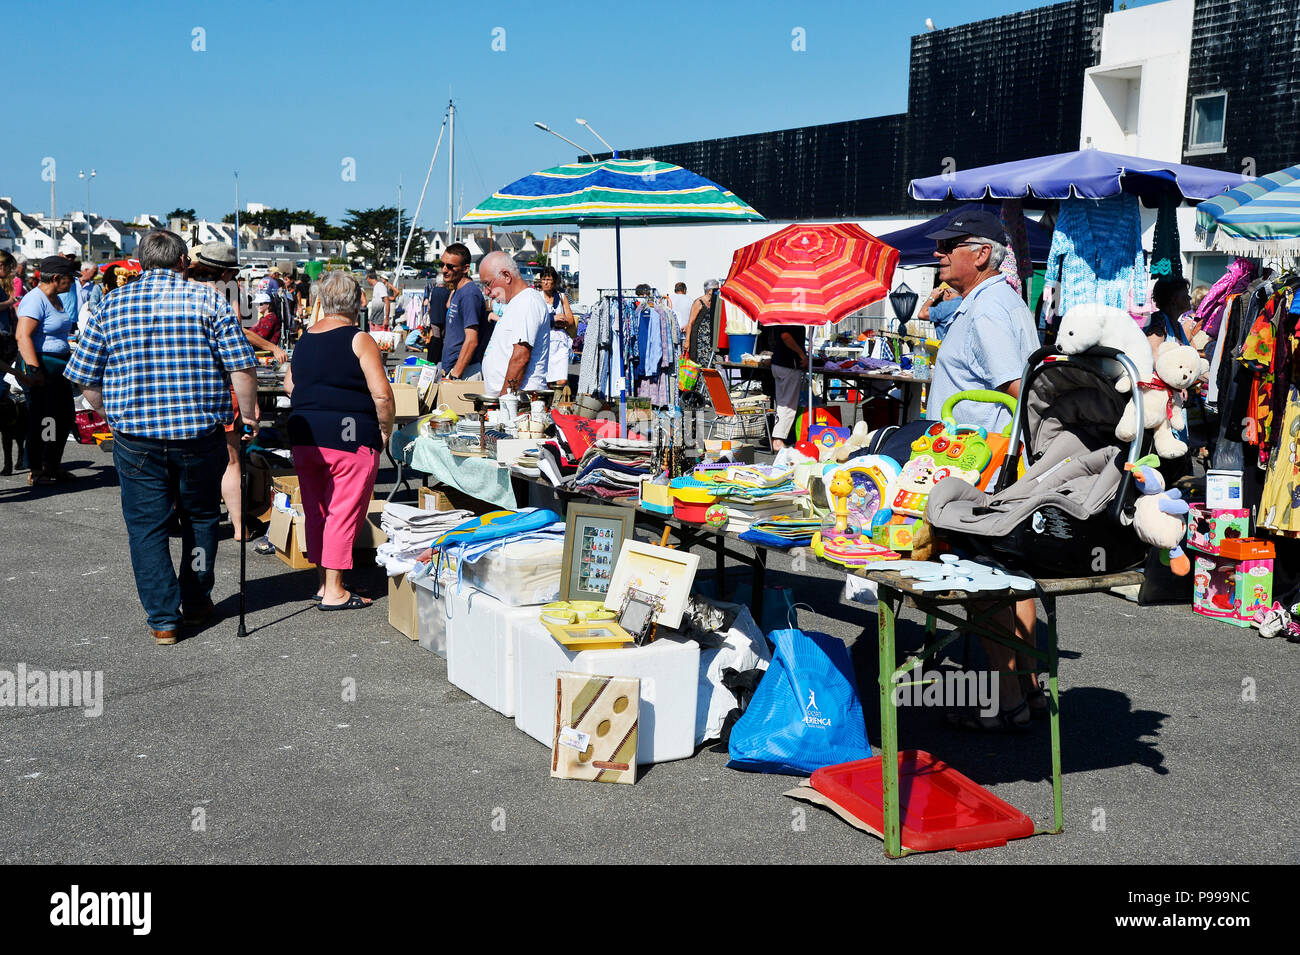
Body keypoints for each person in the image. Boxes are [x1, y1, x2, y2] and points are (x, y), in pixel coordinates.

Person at [65, 231, 260, 646]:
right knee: (201, 518)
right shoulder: (209, 301)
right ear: (184, 261)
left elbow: (83, 376)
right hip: (198, 433)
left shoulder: (111, 305)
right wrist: (246, 416)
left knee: (147, 528)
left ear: (139, 262)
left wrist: (108, 412)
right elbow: (242, 368)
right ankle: (196, 598)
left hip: (136, 436)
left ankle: (163, 619)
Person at [925, 209, 1042, 730]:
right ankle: (1029, 688)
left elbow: (1017, 390)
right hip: (992, 460)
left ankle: (1005, 701)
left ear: (984, 254)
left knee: (980, 580)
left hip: (979, 465)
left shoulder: (989, 310)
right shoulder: (993, 300)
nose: (939, 252)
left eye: (953, 244)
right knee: (1012, 577)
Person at [283, 271, 394, 610]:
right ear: (357, 300)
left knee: (317, 510)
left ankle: (324, 583)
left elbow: (291, 386)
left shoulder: (306, 338)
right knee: (343, 512)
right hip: (349, 436)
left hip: (306, 436)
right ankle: (334, 590)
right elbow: (382, 394)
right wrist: (385, 430)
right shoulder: (359, 339)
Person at [188, 242, 285, 542]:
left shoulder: (178, 291)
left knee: (187, 459)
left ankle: (188, 521)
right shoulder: (223, 297)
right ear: (227, 272)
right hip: (221, 386)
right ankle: (239, 527)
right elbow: (239, 353)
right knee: (231, 460)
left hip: (183, 389)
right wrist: (251, 404)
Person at [15, 255, 80, 486]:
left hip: (58, 366)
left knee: (63, 416)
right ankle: (38, 467)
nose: (72, 282)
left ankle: (53, 464)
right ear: (56, 278)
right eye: (70, 278)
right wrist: (34, 369)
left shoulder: (56, 298)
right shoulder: (35, 300)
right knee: (45, 419)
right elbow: (23, 336)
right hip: (40, 365)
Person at [477, 251, 549, 397]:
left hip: (519, 401)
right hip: (512, 399)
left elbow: (521, 357)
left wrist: (504, 400)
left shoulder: (527, 302)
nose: (486, 291)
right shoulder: (517, 303)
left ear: (506, 276)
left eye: (488, 284)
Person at [439, 243, 489, 380]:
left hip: (465, 371)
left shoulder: (469, 294)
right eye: (442, 264)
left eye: (450, 266)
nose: (444, 270)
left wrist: (455, 374)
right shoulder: (458, 290)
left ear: (466, 268)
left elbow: (472, 340)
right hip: (453, 368)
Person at [770, 324, 807, 451]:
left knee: (782, 403)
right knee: (788, 405)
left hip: (779, 363)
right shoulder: (792, 319)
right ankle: (778, 440)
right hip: (788, 365)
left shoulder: (782, 316)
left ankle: (777, 438)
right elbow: (786, 336)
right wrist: (802, 354)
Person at [538, 266, 575, 387]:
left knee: (562, 379)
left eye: (548, 279)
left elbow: (570, 320)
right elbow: (535, 320)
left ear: (554, 281)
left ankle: (558, 402)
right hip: (544, 340)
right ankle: (549, 403)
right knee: (546, 378)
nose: (545, 282)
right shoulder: (537, 297)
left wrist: (562, 321)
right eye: (543, 279)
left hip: (560, 341)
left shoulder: (561, 297)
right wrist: (553, 319)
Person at [683, 279, 720, 358]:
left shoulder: (715, 302)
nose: (718, 292)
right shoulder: (699, 302)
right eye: (717, 289)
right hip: (698, 339)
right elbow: (690, 323)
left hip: (710, 339)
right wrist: (687, 341)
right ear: (710, 290)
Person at [421, 274, 450, 365]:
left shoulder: (433, 291)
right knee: (443, 338)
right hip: (444, 317)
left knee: (436, 337)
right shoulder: (447, 292)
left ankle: (433, 357)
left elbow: (429, 303)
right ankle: (441, 356)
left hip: (434, 317)